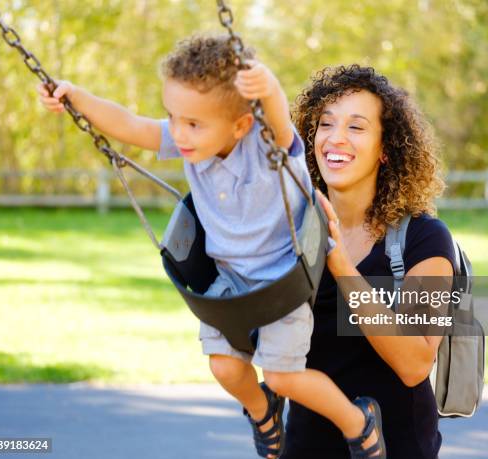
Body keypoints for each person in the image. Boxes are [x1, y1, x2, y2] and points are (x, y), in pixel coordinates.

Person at [37, 36, 386, 459]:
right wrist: (76, 95)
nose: (179, 133)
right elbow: (131, 124)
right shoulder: (190, 143)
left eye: (193, 123)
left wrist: (269, 86)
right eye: (173, 118)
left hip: (285, 281)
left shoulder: (268, 148)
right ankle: (263, 414)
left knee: (282, 377)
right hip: (228, 281)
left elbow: (277, 118)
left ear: (240, 124)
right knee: (224, 367)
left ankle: (357, 421)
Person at [282, 64, 457, 458]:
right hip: (305, 446)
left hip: (398, 447)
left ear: (385, 150)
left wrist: (342, 268)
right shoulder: (291, 230)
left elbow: (415, 363)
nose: (336, 138)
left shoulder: (424, 239)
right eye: (325, 124)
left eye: (356, 127)